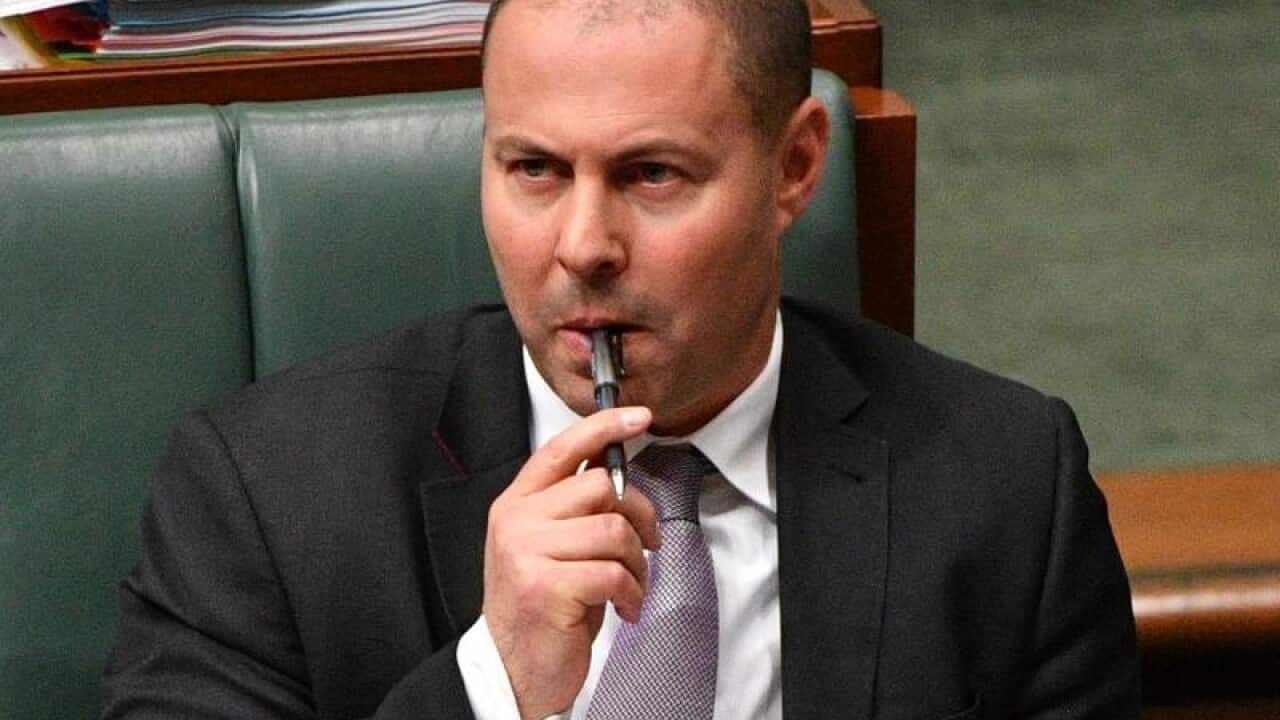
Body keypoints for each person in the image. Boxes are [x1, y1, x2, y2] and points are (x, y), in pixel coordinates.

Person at [100, 0, 1141, 718]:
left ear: (794, 168)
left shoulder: (1005, 487)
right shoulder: (264, 496)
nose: (582, 245)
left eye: (649, 174)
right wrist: (493, 685)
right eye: (534, 170)